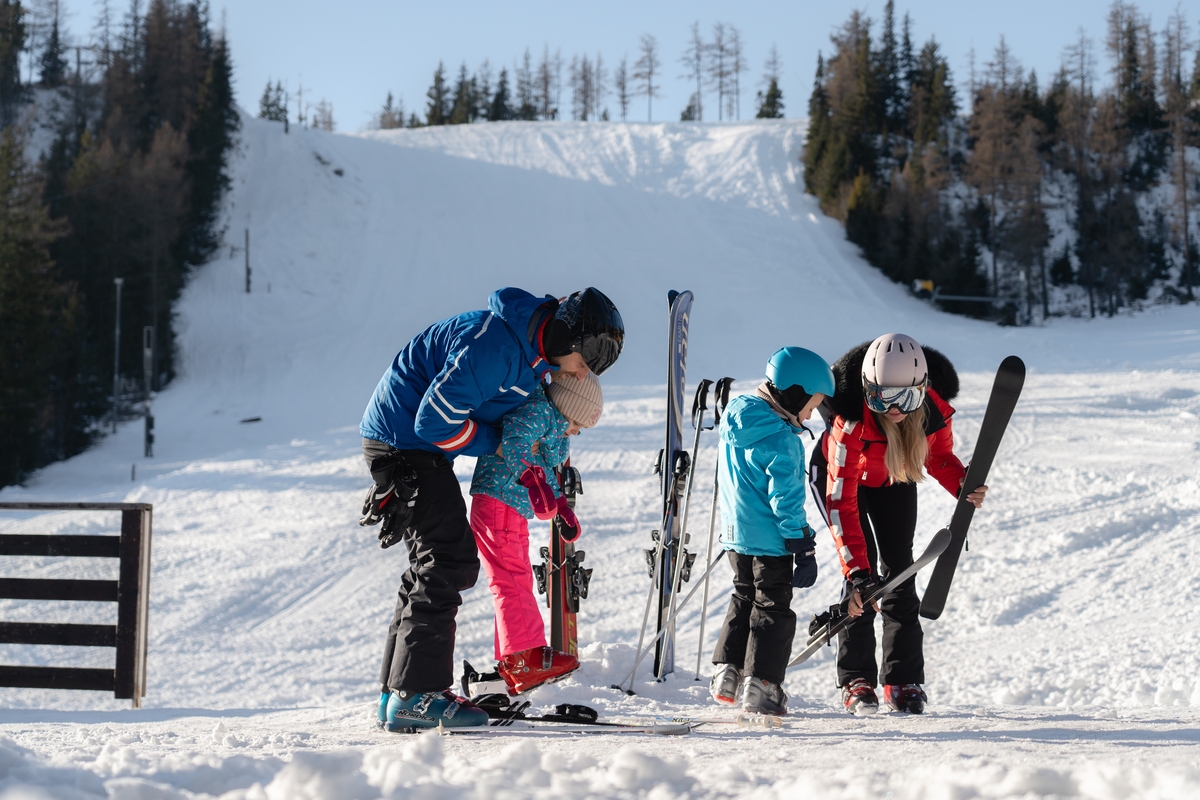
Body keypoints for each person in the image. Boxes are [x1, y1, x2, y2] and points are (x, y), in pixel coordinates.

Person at [358, 287, 623, 731]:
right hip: (406, 442)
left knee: (432, 562)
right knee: (447, 559)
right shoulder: (495, 346)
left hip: (412, 445)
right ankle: (417, 697)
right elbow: (434, 421)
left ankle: (400, 691)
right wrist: (499, 443)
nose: (580, 376)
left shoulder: (529, 353)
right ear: (564, 340)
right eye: (581, 364)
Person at [809, 333, 986, 716]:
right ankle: (857, 679)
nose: (894, 409)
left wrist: (961, 484)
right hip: (842, 481)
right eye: (882, 397)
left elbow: (939, 457)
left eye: (906, 398)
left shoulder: (932, 411)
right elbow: (841, 502)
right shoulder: (851, 421)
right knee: (864, 579)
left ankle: (902, 679)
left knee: (901, 573)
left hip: (893, 476)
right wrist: (856, 572)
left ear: (923, 390)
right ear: (866, 390)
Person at [708, 347, 835, 716]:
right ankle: (762, 685)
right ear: (794, 394)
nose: (811, 414)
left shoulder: (736, 418)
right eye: (811, 405)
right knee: (773, 606)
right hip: (771, 542)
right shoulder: (783, 440)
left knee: (743, 597)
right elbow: (787, 501)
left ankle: (728, 674)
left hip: (736, 536)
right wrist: (802, 544)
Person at [469, 370, 604, 695]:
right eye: (579, 424)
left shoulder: (551, 423)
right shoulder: (537, 410)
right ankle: (526, 659)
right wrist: (533, 480)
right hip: (499, 500)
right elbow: (514, 443)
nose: (577, 431)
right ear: (569, 406)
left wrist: (561, 506)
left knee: (514, 580)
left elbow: (544, 465)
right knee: (511, 581)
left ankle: (511, 663)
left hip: (507, 505)